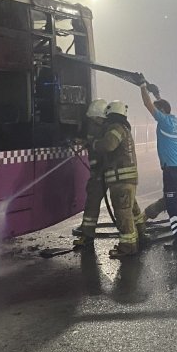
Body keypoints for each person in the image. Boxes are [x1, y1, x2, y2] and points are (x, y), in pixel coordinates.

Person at [140, 81, 177, 249]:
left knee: (174, 206)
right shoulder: (176, 121)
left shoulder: (164, 121)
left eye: (158, 110)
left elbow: (147, 104)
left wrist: (142, 87)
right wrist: (157, 94)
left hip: (172, 171)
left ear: (163, 111)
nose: (155, 114)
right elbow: (163, 106)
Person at [91, 100, 146, 258]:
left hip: (120, 180)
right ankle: (142, 234)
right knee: (132, 210)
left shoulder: (115, 128)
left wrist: (94, 144)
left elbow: (108, 145)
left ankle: (128, 247)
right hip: (126, 179)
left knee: (123, 213)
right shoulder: (124, 128)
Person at [72, 98, 110, 249]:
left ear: (101, 116)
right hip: (101, 172)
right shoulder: (98, 127)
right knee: (125, 202)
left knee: (94, 201)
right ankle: (138, 229)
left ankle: (87, 235)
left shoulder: (106, 129)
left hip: (103, 172)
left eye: (94, 118)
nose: (92, 120)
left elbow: (102, 147)